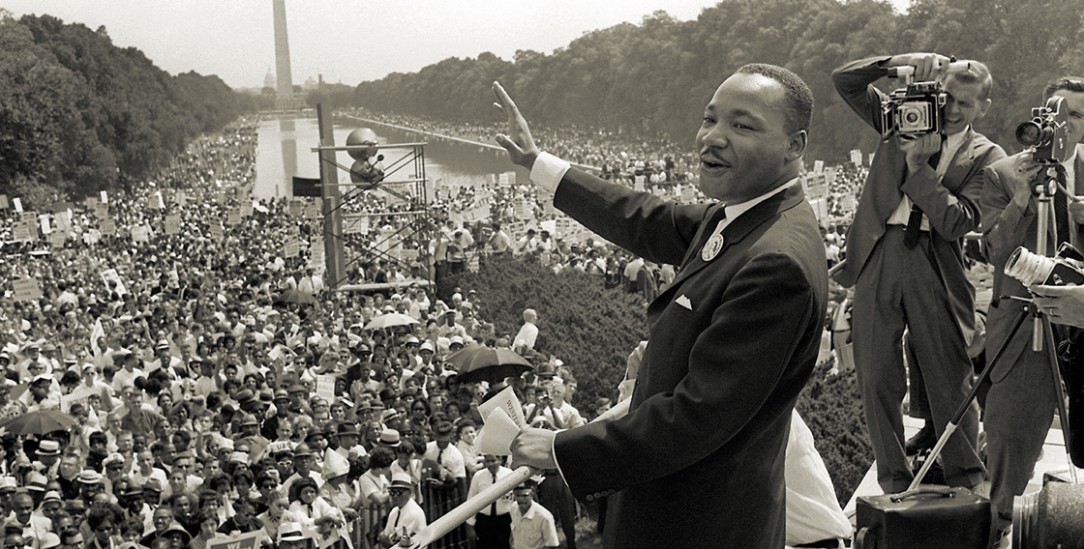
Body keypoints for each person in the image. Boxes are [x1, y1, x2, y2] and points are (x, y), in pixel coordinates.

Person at [494, 63, 827, 547]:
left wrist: (562, 448)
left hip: (701, 523)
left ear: (794, 146)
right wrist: (537, 163)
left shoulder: (777, 261)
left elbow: (698, 416)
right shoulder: (744, 217)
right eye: (710, 119)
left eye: (742, 125)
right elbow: (643, 218)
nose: (713, 137)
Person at [831, 52, 1004, 494]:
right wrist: (897, 61)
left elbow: (957, 222)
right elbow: (846, 80)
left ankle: (966, 478)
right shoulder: (901, 118)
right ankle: (893, 479)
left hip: (936, 259)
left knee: (951, 375)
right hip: (879, 252)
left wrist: (917, 169)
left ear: (983, 107)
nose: (950, 110)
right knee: (876, 377)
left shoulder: (988, 156)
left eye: (965, 104)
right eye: (945, 97)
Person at [980, 75, 1084, 545]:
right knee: (1011, 436)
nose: (1067, 125)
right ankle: (1001, 526)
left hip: (1081, 323)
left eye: (1079, 116)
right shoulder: (1003, 172)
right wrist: (1022, 198)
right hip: (1024, 327)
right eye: (1060, 114)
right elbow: (996, 252)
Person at [465, 455, 514, 549]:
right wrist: (470, 526)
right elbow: (471, 501)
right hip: (484, 521)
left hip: (504, 521)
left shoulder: (509, 475)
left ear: (500, 460)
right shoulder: (478, 476)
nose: (490, 464)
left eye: (493, 461)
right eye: (487, 461)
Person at [377, 473, 426, 548]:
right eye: (392, 492)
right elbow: (387, 536)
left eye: (399, 492)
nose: (395, 496)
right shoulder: (395, 511)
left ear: (409, 492)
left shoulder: (413, 512)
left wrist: (384, 538)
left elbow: (395, 544)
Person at [508, 481, 558, 549]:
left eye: (525, 495)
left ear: (532, 495)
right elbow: (513, 533)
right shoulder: (513, 508)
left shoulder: (544, 517)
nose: (521, 499)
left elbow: (552, 546)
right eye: (518, 495)